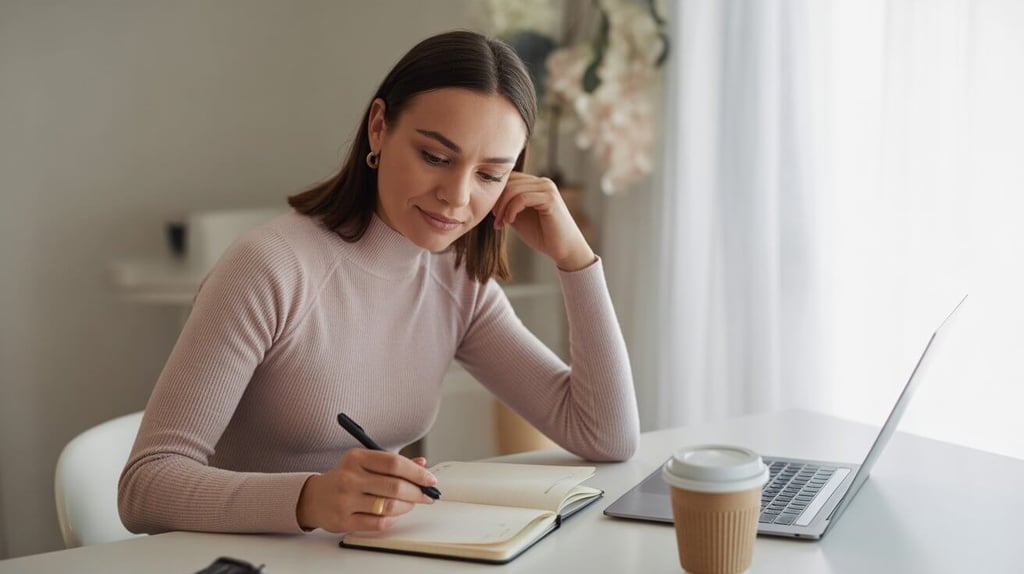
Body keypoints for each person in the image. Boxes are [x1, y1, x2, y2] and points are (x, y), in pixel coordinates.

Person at [118, 30, 639, 536]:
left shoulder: (458, 283)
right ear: (378, 128)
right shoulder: (268, 268)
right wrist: (308, 499)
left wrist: (576, 260)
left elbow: (606, 435)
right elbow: (145, 488)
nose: (457, 197)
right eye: (435, 157)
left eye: (489, 175)